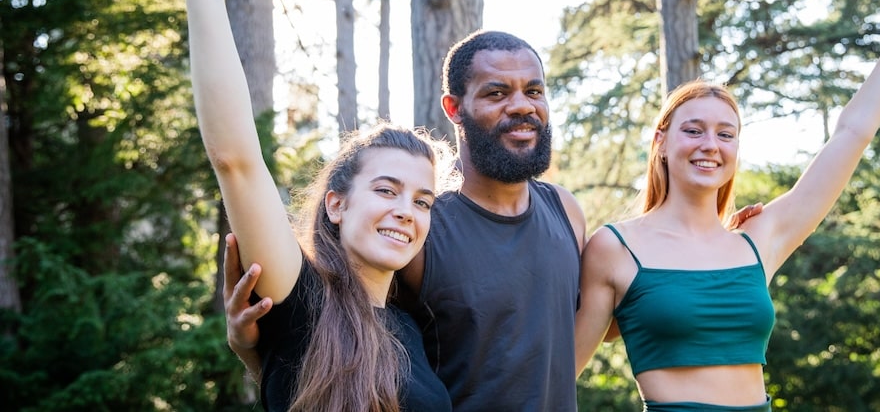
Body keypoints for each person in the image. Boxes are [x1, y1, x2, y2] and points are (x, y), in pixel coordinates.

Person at [222, 30, 761, 410]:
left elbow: (617, 313)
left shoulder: (566, 212)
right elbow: (348, 326)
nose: (522, 106)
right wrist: (262, 347)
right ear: (454, 109)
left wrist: (706, 240)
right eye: (497, 93)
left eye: (534, 90)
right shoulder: (423, 230)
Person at [573, 0, 880, 411]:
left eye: (726, 134)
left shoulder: (759, 240)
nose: (710, 145)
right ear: (660, 142)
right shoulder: (614, 248)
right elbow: (561, 373)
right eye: (694, 130)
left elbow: (852, 134)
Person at [178, 0, 458, 410]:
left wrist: (254, 356)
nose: (406, 210)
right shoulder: (301, 298)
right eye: (386, 190)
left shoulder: (412, 325)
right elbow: (237, 161)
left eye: (423, 201)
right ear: (336, 205)